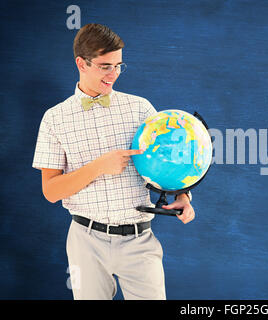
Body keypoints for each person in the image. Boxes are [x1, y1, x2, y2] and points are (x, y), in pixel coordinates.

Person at [31, 23, 194, 300]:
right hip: (86, 241)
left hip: (139, 240)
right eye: (105, 66)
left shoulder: (140, 108)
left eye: (119, 65)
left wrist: (183, 196)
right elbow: (51, 191)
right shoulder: (54, 119)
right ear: (81, 63)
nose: (114, 74)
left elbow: (169, 162)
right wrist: (98, 167)